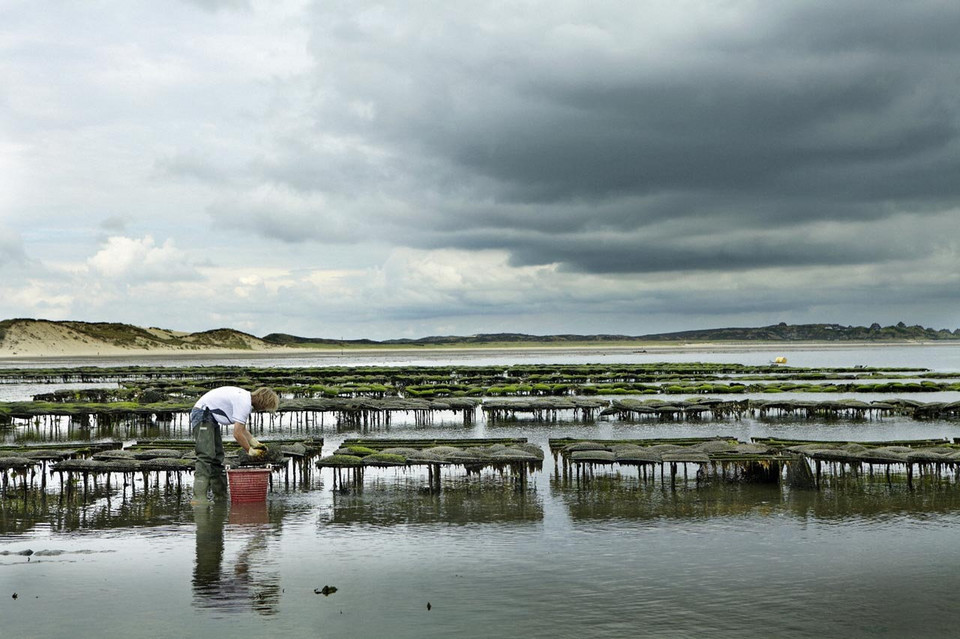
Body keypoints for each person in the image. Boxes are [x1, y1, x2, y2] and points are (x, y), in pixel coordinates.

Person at [190, 386, 279, 504]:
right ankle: (199, 498)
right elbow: (237, 434)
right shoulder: (244, 403)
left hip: (210, 416)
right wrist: (249, 450)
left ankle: (220, 499)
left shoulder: (244, 398)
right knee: (206, 455)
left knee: (217, 457)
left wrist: (254, 443)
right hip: (202, 413)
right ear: (263, 402)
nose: (262, 410)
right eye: (265, 407)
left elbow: (242, 429)